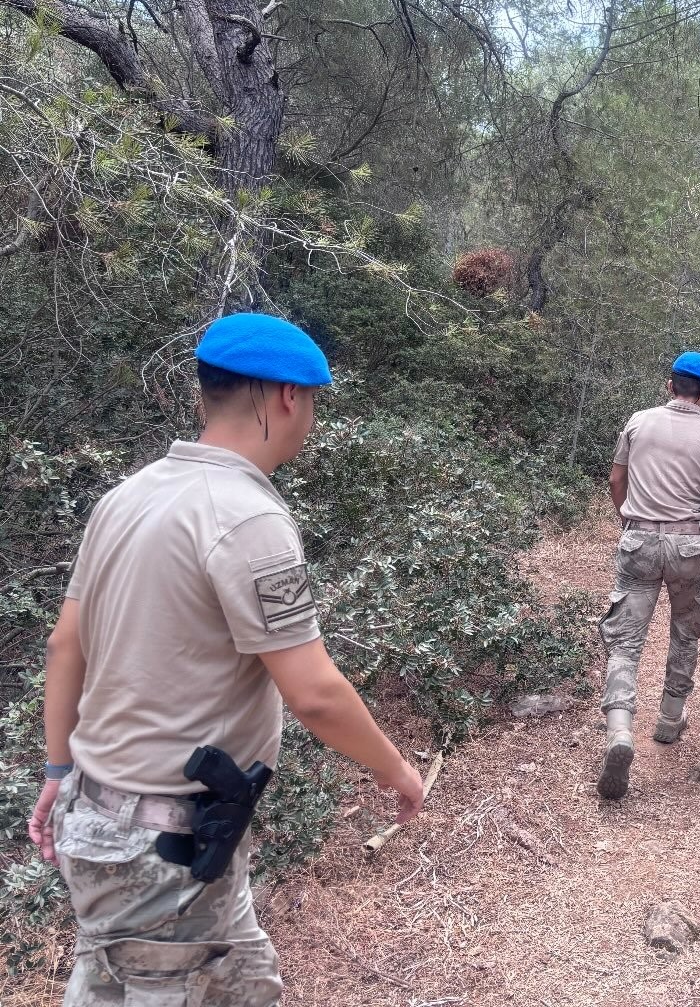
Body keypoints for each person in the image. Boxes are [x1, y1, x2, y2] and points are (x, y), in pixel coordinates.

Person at [27, 312, 425, 1007]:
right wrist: (396, 769)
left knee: (243, 981)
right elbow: (313, 692)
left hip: (106, 819)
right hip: (162, 848)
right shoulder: (248, 517)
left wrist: (60, 770)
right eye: (313, 403)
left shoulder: (129, 496)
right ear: (287, 398)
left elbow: (66, 646)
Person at [598, 352, 700, 801]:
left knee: (625, 642)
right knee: (686, 632)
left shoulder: (638, 423)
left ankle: (620, 730)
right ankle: (668, 720)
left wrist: (628, 518)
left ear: (670, 385)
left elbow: (615, 481)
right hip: (689, 547)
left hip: (639, 542)